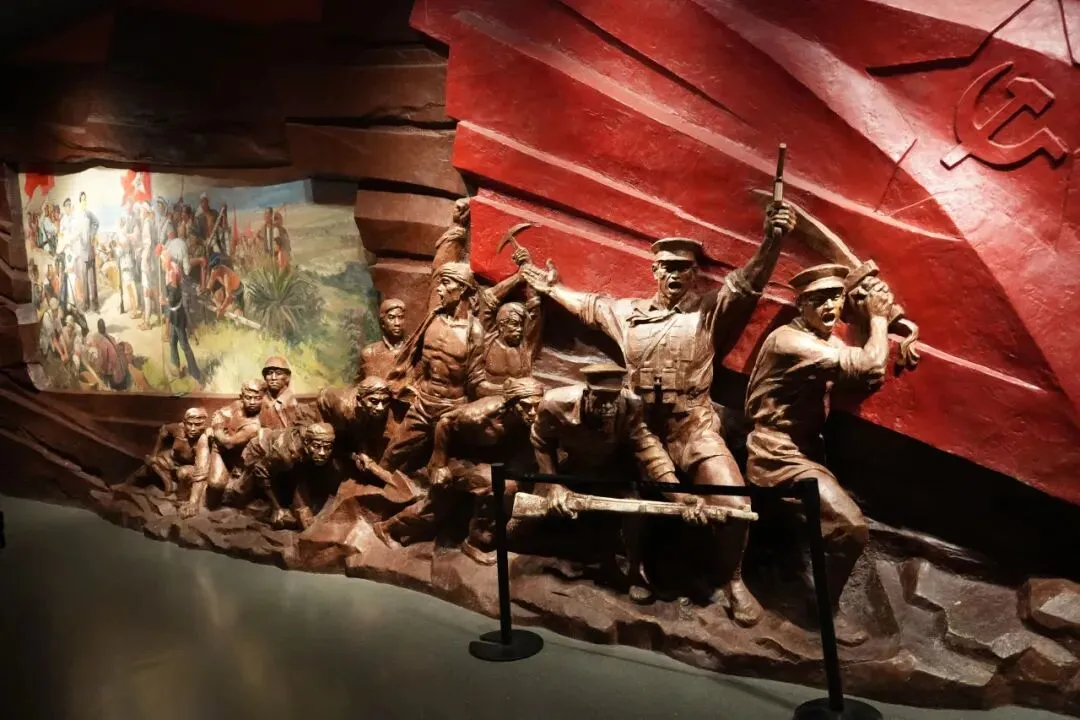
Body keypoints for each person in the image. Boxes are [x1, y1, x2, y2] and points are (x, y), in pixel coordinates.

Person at [521, 201, 797, 626]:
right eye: (666, 267)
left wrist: (772, 241)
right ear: (654, 271)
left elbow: (747, 284)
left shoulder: (707, 313)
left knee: (735, 503)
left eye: (682, 268)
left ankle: (732, 580)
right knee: (631, 503)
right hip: (637, 428)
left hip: (693, 428)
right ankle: (635, 570)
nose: (674, 275)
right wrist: (552, 289)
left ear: (694, 274)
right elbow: (589, 306)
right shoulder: (628, 315)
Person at [745, 264, 893, 645]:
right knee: (851, 527)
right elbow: (870, 363)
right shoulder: (790, 342)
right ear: (801, 306)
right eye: (818, 300)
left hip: (806, 451)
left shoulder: (824, 341)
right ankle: (826, 612)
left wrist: (882, 329)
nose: (829, 306)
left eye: (835, 298)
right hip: (776, 454)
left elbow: (870, 375)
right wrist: (878, 319)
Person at [531, 364, 684, 602]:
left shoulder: (631, 404)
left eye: (613, 398)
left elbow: (647, 447)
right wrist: (553, 484)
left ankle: (634, 570)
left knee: (634, 508)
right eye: (601, 398)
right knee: (534, 517)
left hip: (613, 469)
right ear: (587, 392)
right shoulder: (554, 403)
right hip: (571, 471)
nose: (608, 405)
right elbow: (540, 441)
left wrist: (677, 494)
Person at [374, 376, 545, 563]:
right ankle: (475, 542)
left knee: (441, 506)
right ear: (512, 403)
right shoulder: (482, 414)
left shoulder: (530, 417)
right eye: (526, 406)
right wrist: (440, 464)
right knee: (438, 507)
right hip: (455, 461)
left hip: (486, 461)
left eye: (536, 405)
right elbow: (445, 422)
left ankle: (482, 538)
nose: (532, 412)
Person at [380, 262, 486, 473]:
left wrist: (503, 392)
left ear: (462, 288)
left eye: (445, 283)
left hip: (451, 410)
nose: (439, 289)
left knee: (446, 473)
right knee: (389, 457)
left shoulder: (474, 331)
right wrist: (407, 387)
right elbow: (411, 356)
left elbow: (476, 380)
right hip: (422, 405)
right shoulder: (432, 319)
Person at [241, 422, 337, 529]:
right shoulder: (284, 455)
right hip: (258, 450)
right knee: (241, 493)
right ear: (306, 442)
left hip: (286, 456)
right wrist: (277, 507)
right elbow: (261, 470)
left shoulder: (312, 434)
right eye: (317, 446)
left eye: (327, 448)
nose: (322, 453)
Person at [475, 247, 543, 397]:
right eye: (514, 324)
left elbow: (534, 306)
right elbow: (488, 299)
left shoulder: (525, 347)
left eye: (521, 325)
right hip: (487, 402)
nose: (520, 329)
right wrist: (518, 277)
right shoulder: (486, 340)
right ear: (501, 326)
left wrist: (529, 270)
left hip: (522, 405)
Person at [315, 377, 393, 473]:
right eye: (374, 401)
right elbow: (342, 436)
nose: (381, 408)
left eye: (384, 401)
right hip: (324, 402)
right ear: (359, 399)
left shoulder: (366, 406)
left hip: (345, 398)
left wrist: (363, 451)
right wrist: (355, 454)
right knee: (324, 436)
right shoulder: (343, 410)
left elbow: (359, 429)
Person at [209, 380, 266, 509]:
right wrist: (218, 428)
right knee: (215, 485)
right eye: (248, 397)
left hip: (240, 459)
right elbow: (219, 414)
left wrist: (218, 428)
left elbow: (227, 443)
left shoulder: (254, 426)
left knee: (226, 489)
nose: (252, 402)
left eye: (257, 398)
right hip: (221, 451)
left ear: (264, 398)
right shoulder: (237, 405)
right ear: (242, 397)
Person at [134, 407, 211, 503]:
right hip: (171, 460)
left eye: (198, 425)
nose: (193, 429)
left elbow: (201, 469)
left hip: (190, 467)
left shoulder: (205, 438)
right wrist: (154, 453)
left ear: (205, 424)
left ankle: (181, 496)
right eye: (189, 424)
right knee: (149, 463)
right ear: (184, 423)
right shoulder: (178, 428)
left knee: (183, 473)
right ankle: (168, 483)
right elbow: (164, 430)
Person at [163, 261, 202, 384]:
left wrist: (163, 301)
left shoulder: (178, 289)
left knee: (184, 346)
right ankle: (176, 368)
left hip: (179, 320)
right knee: (172, 342)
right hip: (174, 319)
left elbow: (171, 302)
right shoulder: (170, 286)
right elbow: (169, 301)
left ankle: (196, 375)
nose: (170, 275)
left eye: (172, 273)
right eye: (169, 273)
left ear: (176, 275)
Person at [357, 298, 407, 382]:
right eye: (391, 318)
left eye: (400, 317)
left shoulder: (413, 351)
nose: (397, 323)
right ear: (383, 323)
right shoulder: (370, 353)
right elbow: (360, 385)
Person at [84, 318, 131, 391]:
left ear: (98, 329)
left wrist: (98, 370)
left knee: (102, 374)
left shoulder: (102, 343)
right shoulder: (110, 337)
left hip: (116, 375)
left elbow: (103, 360)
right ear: (105, 328)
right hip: (122, 369)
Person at [259, 356, 305, 429]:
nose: (273, 378)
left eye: (278, 373)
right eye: (269, 373)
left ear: (287, 377)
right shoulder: (259, 401)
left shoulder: (295, 403)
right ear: (265, 377)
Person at [77, 191, 100, 311]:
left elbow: (97, 223)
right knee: (84, 279)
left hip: (90, 251)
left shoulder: (89, 214)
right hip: (82, 251)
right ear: (80, 202)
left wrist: (92, 234)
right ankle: (86, 304)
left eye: (85, 199)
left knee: (92, 279)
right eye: (82, 199)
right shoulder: (77, 217)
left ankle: (95, 303)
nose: (84, 201)